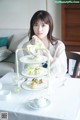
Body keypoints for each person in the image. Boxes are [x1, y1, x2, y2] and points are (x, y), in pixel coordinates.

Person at [18, 10, 67, 78]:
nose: (39, 29)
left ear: (49, 26)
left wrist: (44, 49)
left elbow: (61, 72)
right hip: (36, 83)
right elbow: (31, 71)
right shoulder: (27, 46)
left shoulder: (59, 45)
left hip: (56, 82)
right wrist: (36, 50)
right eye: (36, 25)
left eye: (43, 25)